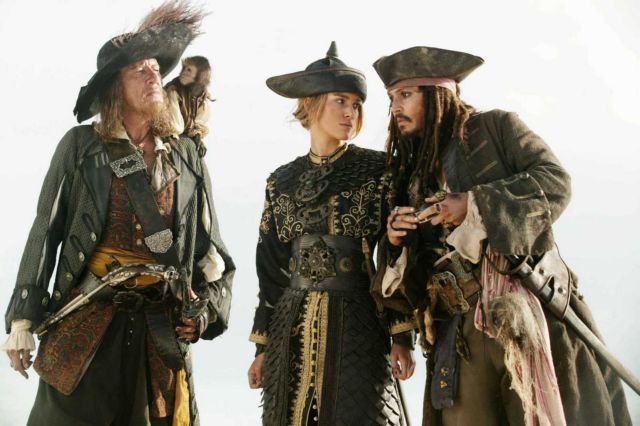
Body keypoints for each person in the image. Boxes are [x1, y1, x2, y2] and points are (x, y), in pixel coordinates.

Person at [370, 46, 631, 426]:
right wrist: (396, 241)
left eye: (406, 94)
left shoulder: (496, 128)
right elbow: (408, 276)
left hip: (524, 311)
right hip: (457, 331)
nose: (395, 107)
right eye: (392, 97)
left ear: (438, 93)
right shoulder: (410, 172)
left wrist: (474, 204)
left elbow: (555, 182)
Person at [1, 2, 234, 425]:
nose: (153, 77)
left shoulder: (187, 156)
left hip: (156, 333)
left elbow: (212, 254)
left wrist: (206, 312)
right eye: (138, 71)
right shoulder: (80, 146)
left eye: (155, 69)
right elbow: (45, 229)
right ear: (114, 87)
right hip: (85, 326)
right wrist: (22, 318)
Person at [246, 42, 415, 426]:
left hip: (358, 326)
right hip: (289, 328)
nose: (350, 112)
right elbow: (270, 270)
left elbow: (395, 256)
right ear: (311, 103)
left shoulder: (380, 171)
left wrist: (402, 336)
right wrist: (262, 347)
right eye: (340, 101)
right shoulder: (280, 181)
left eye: (356, 105)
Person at [165, 55, 213, 157]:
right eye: (184, 69)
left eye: (189, 70)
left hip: (185, 137)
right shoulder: (173, 90)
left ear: (201, 75)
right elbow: (173, 123)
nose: (183, 72)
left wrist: (197, 135)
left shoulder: (204, 97)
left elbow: (200, 121)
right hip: (170, 135)